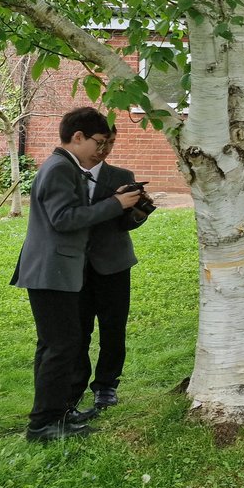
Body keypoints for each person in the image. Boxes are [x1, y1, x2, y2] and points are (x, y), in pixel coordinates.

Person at [11, 107, 143, 442]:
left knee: (57, 346)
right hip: (51, 273)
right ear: (78, 137)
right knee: (61, 347)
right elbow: (63, 219)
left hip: (57, 272)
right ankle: (44, 425)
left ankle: (53, 416)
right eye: (98, 142)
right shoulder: (59, 168)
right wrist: (115, 204)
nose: (101, 149)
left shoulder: (65, 166)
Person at [70, 128, 153, 413]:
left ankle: (106, 386)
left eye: (111, 143)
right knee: (78, 330)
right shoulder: (65, 173)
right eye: (101, 142)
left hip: (114, 263)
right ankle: (75, 384)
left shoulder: (122, 176)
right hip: (74, 266)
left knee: (113, 328)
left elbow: (126, 223)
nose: (105, 149)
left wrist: (141, 211)